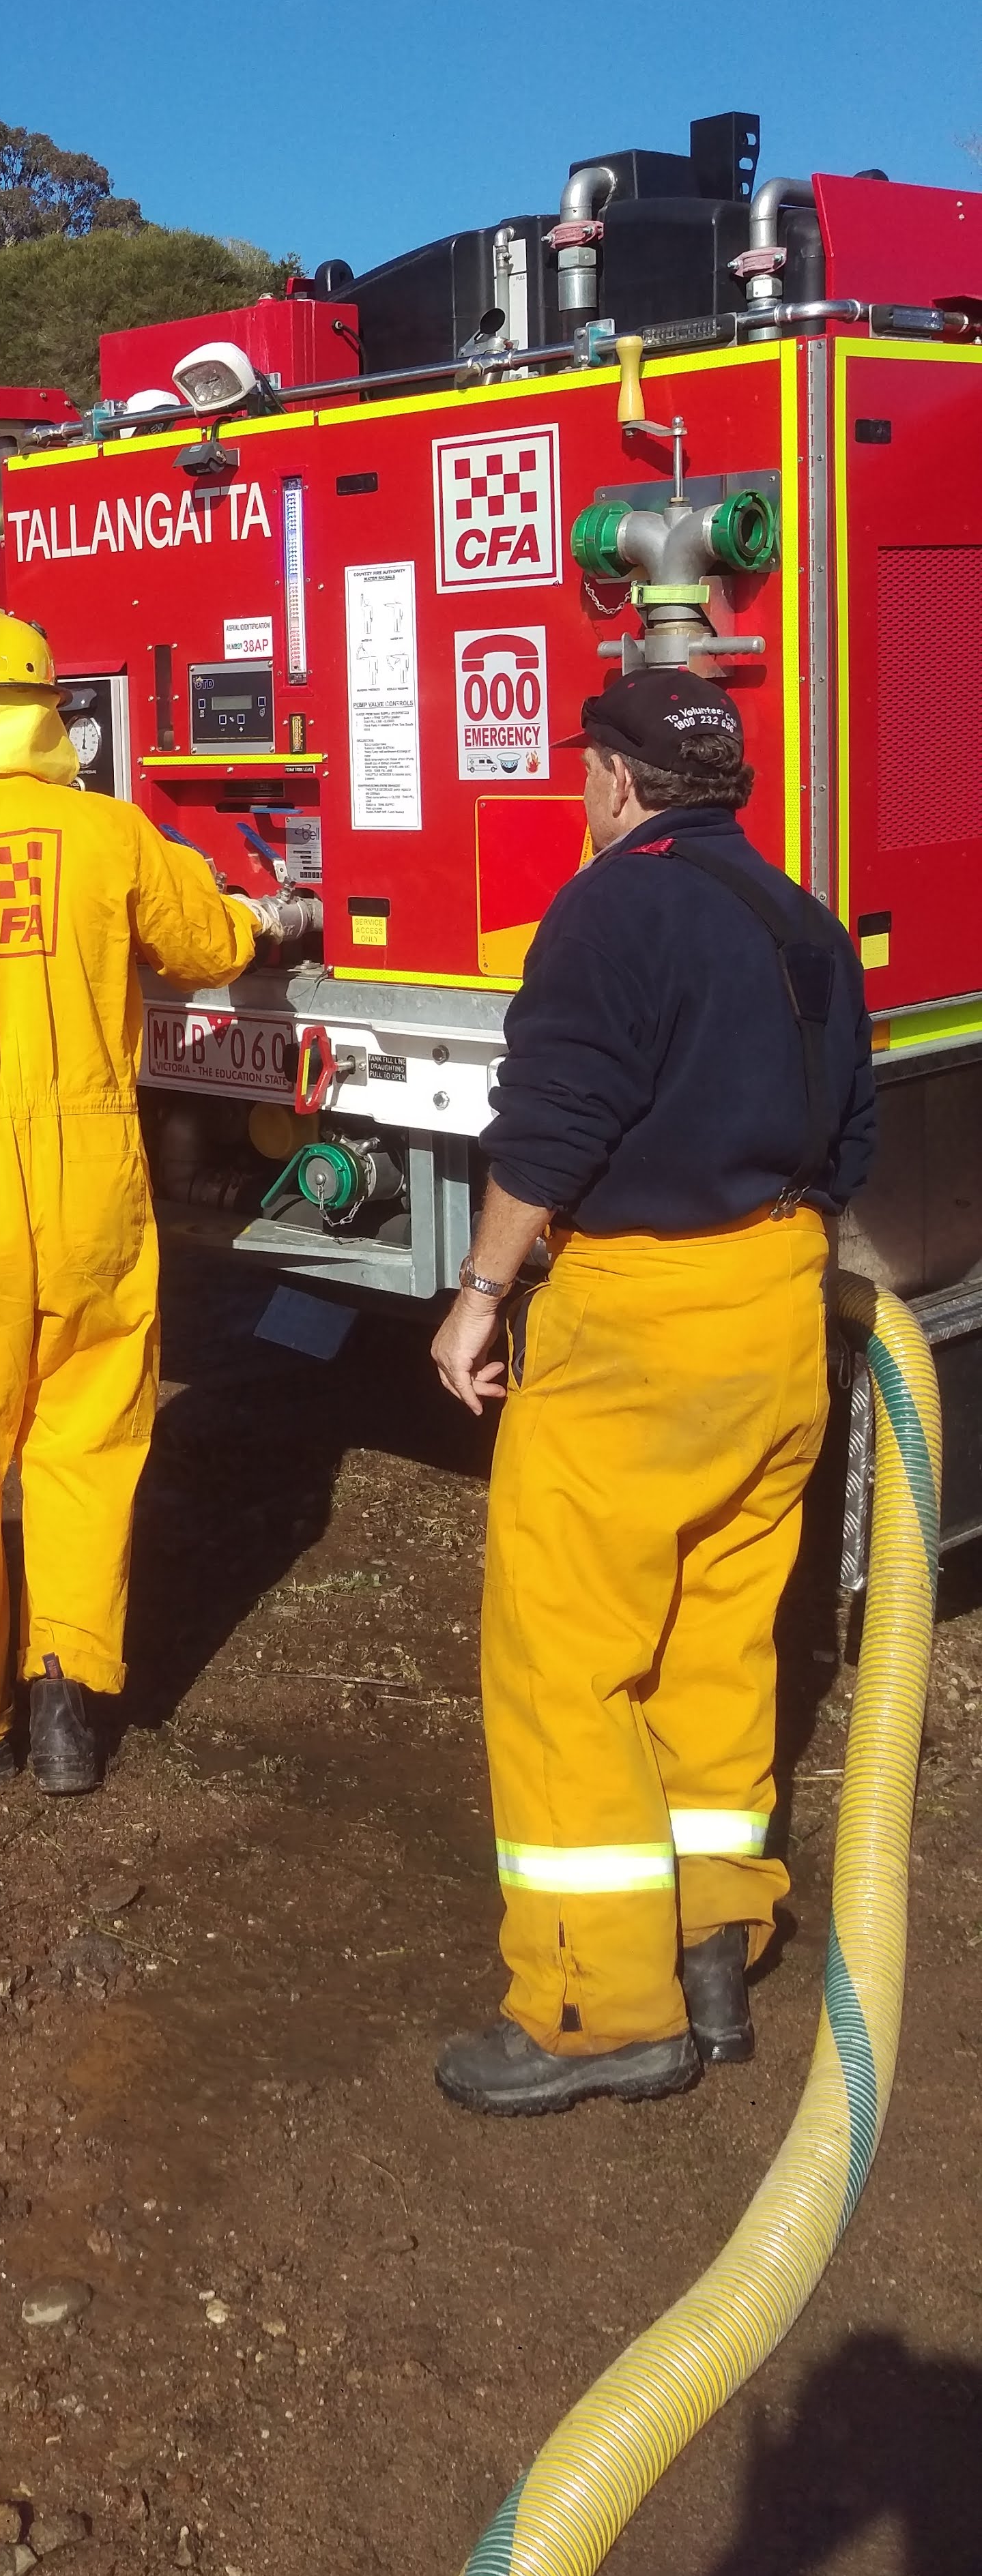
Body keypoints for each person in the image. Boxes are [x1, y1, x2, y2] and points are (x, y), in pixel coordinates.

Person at [429, 669, 875, 2116]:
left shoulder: (611, 906)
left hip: (639, 1324)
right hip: (779, 1309)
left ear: (614, 782)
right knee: (719, 1644)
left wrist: (482, 1296)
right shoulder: (802, 918)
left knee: (568, 1657)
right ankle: (710, 1948)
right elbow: (850, 1139)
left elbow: (550, 1126)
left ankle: (588, 2005)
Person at [0, 613, 291, 1791]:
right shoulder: (106, 832)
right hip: (89, 1187)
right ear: (46, 718)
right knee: (88, 1443)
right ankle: (68, 1698)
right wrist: (270, 919)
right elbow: (202, 941)